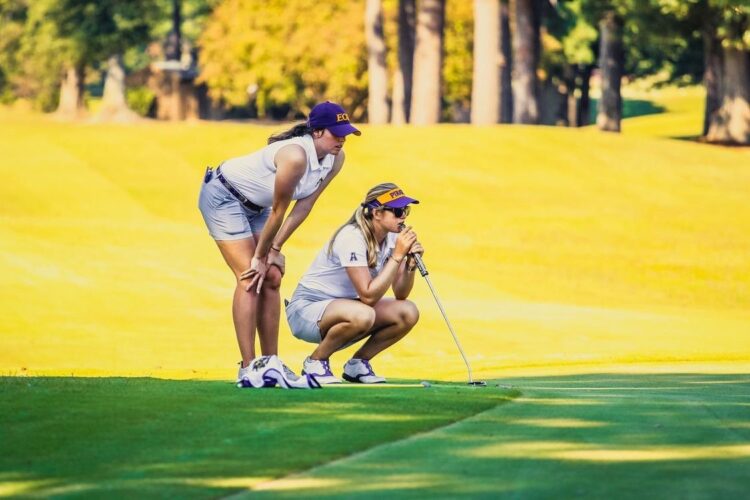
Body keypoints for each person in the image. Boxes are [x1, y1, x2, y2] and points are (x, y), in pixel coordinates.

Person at [198, 101, 361, 382]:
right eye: (337, 133)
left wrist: (274, 250)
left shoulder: (337, 158)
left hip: (257, 207)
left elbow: (305, 206)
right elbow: (278, 210)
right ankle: (248, 367)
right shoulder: (295, 156)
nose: (342, 139)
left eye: (345, 133)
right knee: (250, 276)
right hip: (223, 196)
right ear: (318, 132)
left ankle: (270, 362)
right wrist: (260, 257)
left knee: (272, 276)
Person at [285, 183, 422, 384]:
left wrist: (409, 264)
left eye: (406, 211)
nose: (404, 217)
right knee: (364, 313)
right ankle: (315, 362)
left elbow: (401, 294)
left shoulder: (393, 238)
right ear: (377, 213)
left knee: (408, 311)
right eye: (398, 211)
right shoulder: (352, 236)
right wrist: (397, 256)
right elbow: (368, 295)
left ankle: (358, 364)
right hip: (307, 310)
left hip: (349, 307)